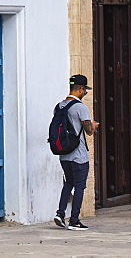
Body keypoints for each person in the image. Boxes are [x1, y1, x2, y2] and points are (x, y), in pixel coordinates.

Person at [53, 74, 99, 230]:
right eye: (85, 90)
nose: (85, 93)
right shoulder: (81, 107)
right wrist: (93, 125)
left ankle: (60, 213)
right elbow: (88, 131)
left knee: (68, 184)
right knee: (79, 186)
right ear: (81, 89)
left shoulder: (59, 106)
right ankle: (74, 220)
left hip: (64, 153)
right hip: (79, 155)